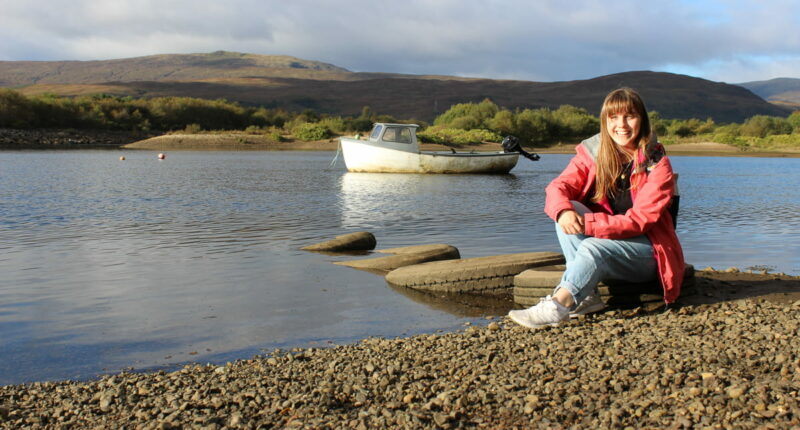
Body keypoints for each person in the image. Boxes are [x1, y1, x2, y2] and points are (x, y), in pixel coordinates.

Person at [508, 87, 684, 328]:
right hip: (609, 239)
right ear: (605, 121)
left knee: (593, 246)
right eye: (613, 118)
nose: (621, 125)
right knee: (566, 210)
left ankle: (558, 305)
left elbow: (639, 221)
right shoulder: (592, 154)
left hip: (649, 252)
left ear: (641, 119)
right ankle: (587, 297)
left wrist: (589, 224)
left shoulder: (657, 163)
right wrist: (564, 211)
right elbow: (557, 187)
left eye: (629, 116)